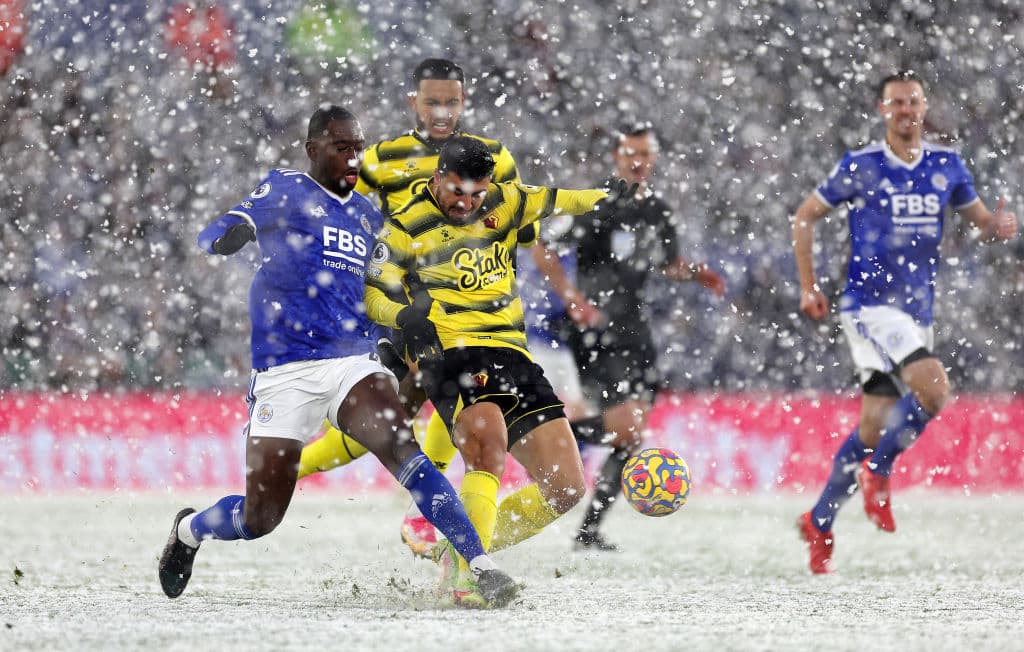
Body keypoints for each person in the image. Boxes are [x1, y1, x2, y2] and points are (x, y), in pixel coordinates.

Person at [157, 105, 519, 608]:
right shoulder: (287, 188)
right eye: (342, 148)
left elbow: (376, 296)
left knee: (403, 450)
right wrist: (228, 235)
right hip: (283, 373)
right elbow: (217, 230)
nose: (353, 158)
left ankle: (479, 564)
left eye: (358, 148)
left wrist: (406, 329)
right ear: (313, 150)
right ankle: (190, 530)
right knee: (260, 519)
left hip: (350, 363)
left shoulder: (370, 217)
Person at [364, 135, 633, 597]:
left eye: (477, 194)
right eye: (456, 192)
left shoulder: (508, 202)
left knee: (566, 488)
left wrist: (606, 196)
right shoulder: (406, 225)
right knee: (487, 446)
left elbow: (561, 199)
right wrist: (402, 316)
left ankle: (459, 549)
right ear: (436, 178)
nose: (466, 203)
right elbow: (375, 292)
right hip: (450, 351)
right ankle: (470, 575)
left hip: (513, 353)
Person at [295, 58, 537, 558]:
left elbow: (517, 234)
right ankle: (295, 466)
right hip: (408, 311)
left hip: (469, 315)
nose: (442, 111)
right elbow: (346, 220)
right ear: (414, 102)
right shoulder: (383, 160)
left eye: (452, 101)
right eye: (432, 101)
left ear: (464, 101)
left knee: (437, 408)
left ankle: (426, 516)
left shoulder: (495, 158)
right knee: (400, 416)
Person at [793, 71, 1018, 574]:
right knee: (935, 390)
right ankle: (879, 473)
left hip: (916, 311)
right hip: (869, 305)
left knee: (873, 427)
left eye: (912, 102)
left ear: (924, 108)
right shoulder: (862, 166)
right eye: (896, 103)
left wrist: (996, 227)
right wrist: (809, 285)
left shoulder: (947, 166)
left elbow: (980, 221)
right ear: (881, 110)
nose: (904, 111)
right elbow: (805, 215)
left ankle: (820, 520)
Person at [531, 123, 726, 550]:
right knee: (627, 428)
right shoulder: (594, 203)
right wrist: (573, 299)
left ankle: (589, 530)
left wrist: (694, 273)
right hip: (595, 332)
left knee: (631, 436)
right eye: (630, 153)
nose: (638, 161)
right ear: (617, 157)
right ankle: (540, 436)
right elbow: (539, 242)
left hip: (636, 330)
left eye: (645, 154)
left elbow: (665, 263)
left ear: (653, 158)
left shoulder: (657, 210)